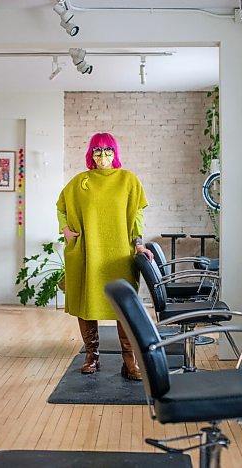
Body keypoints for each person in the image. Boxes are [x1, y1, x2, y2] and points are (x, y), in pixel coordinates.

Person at [56, 132, 153, 381]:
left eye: (108, 150)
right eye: (97, 151)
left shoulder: (128, 180)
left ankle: (128, 360)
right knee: (87, 305)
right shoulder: (80, 181)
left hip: (118, 254)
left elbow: (137, 215)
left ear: (115, 152)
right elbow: (61, 207)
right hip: (86, 253)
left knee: (123, 307)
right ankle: (92, 356)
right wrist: (65, 230)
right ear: (91, 154)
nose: (103, 156)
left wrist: (139, 243)